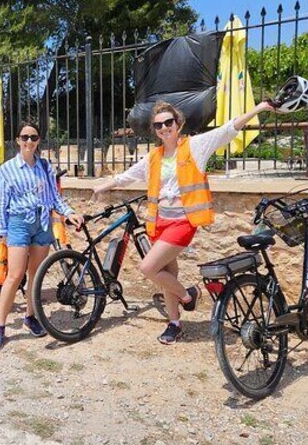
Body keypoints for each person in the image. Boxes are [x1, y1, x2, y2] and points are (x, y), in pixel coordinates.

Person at [93, 100, 274, 344]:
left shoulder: (194, 146)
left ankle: (188, 295)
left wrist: (259, 108)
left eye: (169, 122)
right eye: (159, 125)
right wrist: (105, 185)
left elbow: (227, 130)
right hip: (160, 223)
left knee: (148, 268)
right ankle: (175, 323)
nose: (164, 127)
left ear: (178, 124)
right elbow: (128, 175)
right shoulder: (154, 156)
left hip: (183, 223)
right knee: (167, 272)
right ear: (155, 129)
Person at [0, 122, 84, 350]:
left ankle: (30, 316)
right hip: (19, 223)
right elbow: (2, 204)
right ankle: (0, 325)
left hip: (42, 223)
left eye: (33, 137)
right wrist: (3, 232)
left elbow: (54, 197)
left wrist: (69, 213)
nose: (29, 142)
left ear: (39, 140)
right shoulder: (7, 169)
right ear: (17, 140)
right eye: (24, 137)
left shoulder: (45, 166)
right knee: (14, 275)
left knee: (35, 275)